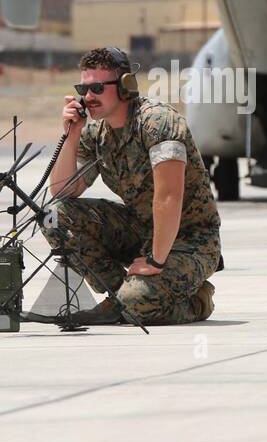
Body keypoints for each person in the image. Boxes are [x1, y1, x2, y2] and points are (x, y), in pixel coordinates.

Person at [42, 46, 222, 324]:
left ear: (125, 86)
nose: (88, 97)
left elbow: (169, 197)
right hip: (142, 229)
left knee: (138, 307)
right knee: (54, 215)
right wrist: (72, 135)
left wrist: (156, 260)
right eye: (83, 89)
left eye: (97, 88)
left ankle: (195, 301)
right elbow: (63, 191)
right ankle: (122, 297)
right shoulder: (96, 132)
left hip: (189, 239)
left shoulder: (158, 123)